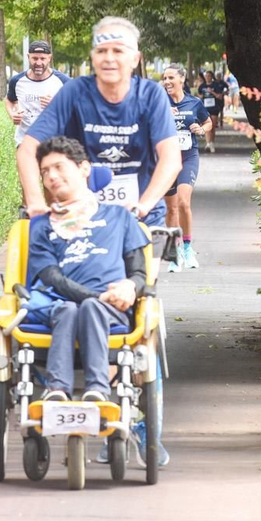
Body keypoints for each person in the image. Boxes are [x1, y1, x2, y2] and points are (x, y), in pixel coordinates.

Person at [26, 137, 165, 463]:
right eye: (45, 171)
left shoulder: (119, 218)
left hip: (115, 311)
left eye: (59, 167)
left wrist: (131, 288)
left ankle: (97, 391)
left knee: (87, 307)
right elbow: (50, 277)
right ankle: (57, 391)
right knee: (71, 307)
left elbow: (139, 271)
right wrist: (97, 296)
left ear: (84, 169)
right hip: (64, 307)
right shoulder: (42, 226)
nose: (51, 176)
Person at [20, 16, 180, 229]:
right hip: (82, 216)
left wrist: (143, 205)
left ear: (135, 58)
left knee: (142, 260)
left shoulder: (152, 95)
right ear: (93, 57)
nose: (109, 58)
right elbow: (27, 149)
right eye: (102, 51)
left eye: (118, 51)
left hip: (141, 217)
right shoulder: (74, 92)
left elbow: (171, 159)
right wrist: (36, 204)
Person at [160, 65, 209, 271]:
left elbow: (207, 123)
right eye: (164, 78)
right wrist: (162, 114)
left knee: (183, 202)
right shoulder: (159, 103)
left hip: (188, 156)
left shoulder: (194, 102)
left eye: (171, 77)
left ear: (182, 79)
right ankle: (174, 252)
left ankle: (188, 248)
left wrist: (201, 129)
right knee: (171, 209)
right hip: (165, 159)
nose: (167, 81)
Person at [5, 40, 68, 167]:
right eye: (34, 58)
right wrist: (13, 114)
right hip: (25, 140)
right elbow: (9, 100)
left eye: (42, 59)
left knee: (50, 184)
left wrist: (56, 104)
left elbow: (75, 107)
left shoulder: (62, 81)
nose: (38, 63)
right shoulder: (17, 81)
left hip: (53, 141)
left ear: (49, 58)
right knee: (27, 184)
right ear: (28, 57)